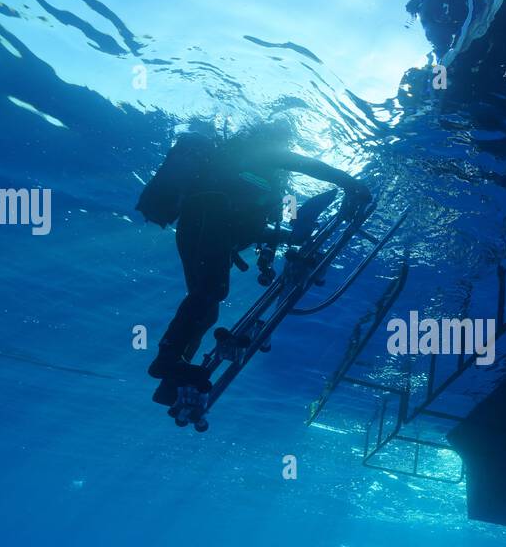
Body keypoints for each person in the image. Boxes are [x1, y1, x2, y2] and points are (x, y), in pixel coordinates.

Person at [135, 118, 369, 399]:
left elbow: (251, 228)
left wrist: (282, 244)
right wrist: (349, 182)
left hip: (196, 225)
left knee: (206, 305)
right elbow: (307, 164)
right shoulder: (259, 151)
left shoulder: (258, 177)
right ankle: (167, 360)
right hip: (212, 214)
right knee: (212, 290)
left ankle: (172, 379)